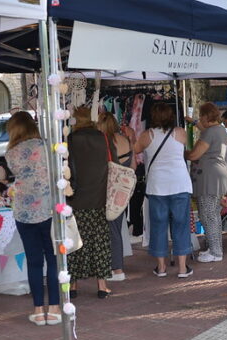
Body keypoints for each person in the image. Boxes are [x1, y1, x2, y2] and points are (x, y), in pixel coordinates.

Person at [5, 111, 60, 325]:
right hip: (48, 209)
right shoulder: (46, 146)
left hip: (24, 212)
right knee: (53, 259)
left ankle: (38, 310)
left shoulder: (11, 153)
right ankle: (54, 308)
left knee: (34, 261)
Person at [134, 102, 193, 278]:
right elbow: (185, 148)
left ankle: (161, 268)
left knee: (158, 226)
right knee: (180, 225)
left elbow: (135, 149)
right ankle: (182, 268)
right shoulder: (179, 133)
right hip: (180, 184)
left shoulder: (147, 135)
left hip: (157, 186)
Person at [67, 106, 115, 298]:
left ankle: (73, 285)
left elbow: (66, 167)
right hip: (100, 197)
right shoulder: (103, 138)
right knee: (100, 242)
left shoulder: (71, 139)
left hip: (76, 197)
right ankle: (102, 285)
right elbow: (114, 164)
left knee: (75, 241)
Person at [186, 102, 227, 262]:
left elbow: (194, 155)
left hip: (209, 177)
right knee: (213, 214)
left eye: (201, 116)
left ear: (206, 116)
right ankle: (214, 248)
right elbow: (203, 128)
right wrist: (192, 122)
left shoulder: (210, 132)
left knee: (208, 214)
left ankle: (216, 252)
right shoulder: (219, 129)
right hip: (217, 175)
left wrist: (184, 152)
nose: (200, 119)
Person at [96, 112, 134, 282]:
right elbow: (132, 166)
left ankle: (116, 269)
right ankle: (115, 267)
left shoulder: (102, 142)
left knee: (109, 230)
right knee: (116, 228)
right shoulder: (125, 140)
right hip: (122, 191)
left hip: (105, 190)